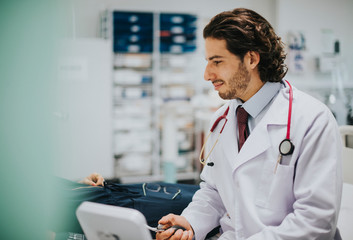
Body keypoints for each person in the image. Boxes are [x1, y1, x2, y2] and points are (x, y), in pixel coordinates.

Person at [154, 8, 343, 240]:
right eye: (208, 62)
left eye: (217, 61)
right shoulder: (221, 120)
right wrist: (191, 221)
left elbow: (315, 221)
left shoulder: (312, 120)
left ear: (251, 59)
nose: (207, 74)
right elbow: (214, 192)